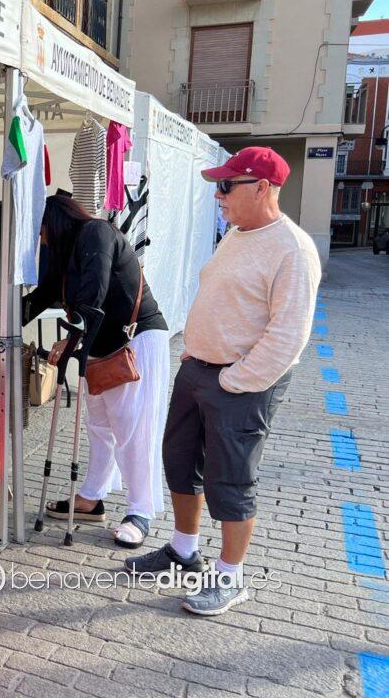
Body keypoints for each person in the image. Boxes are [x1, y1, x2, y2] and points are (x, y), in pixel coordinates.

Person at [126, 147, 320, 617]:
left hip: (240, 381)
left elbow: (289, 334)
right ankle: (183, 550)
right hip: (199, 368)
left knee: (230, 480)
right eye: (219, 185)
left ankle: (230, 578)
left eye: (228, 185)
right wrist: (196, 353)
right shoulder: (237, 234)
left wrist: (236, 380)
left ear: (262, 188)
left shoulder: (292, 249)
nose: (219, 195)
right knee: (179, 462)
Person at [0, 195, 170, 548]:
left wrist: (72, 338)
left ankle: (141, 510)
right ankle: (91, 497)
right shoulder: (63, 251)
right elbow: (44, 295)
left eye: (40, 231)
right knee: (100, 425)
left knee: (132, 428)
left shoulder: (96, 232)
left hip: (134, 340)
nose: (40, 239)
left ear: (53, 222)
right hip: (99, 342)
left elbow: (95, 289)